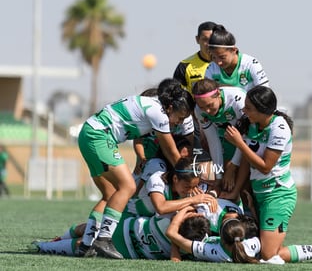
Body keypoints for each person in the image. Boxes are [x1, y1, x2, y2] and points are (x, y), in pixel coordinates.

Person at [222, 85, 312, 265]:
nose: (244, 110)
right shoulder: (252, 124)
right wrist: (236, 192)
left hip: (277, 195)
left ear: (263, 110)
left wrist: (240, 144)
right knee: (258, 253)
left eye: (248, 108)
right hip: (259, 194)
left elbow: (266, 167)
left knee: (269, 256)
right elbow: (246, 163)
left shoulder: (279, 128)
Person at [76, 78, 195, 259]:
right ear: (170, 107)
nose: (179, 123)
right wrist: (187, 175)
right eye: (179, 118)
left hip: (89, 133)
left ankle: (85, 245)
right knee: (128, 186)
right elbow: (171, 151)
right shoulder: (159, 112)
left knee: (110, 195)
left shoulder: (153, 104)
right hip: (99, 136)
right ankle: (103, 240)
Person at [29, 212, 210, 260]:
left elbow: (171, 224)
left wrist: (186, 209)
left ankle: (44, 246)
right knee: (85, 237)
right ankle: (49, 244)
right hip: (129, 250)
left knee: (85, 234)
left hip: (125, 228)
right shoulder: (188, 247)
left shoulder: (167, 222)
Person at [192, 79, 247, 193]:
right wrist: (219, 175)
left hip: (247, 138)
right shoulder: (198, 110)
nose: (207, 110)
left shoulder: (238, 100)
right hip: (227, 138)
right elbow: (213, 141)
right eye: (202, 107)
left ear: (217, 94)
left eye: (210, 105)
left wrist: (233, 166)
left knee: (244, 182)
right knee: (226, 184)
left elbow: (246, 137)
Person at [126, 157, 218, 218]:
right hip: (130, 217)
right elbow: (161, 208)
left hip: (149, 224)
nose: (190, 190)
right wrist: (193, 200)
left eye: (194, 186)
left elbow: (214, 189)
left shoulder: (189, 188)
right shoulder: (156, 179)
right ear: (175, 178)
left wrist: (210, 197)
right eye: (187, 186)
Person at [166, 206, 261, 263]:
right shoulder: (252, 245)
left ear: (221, 237)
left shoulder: (213, 252)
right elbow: (263, 234)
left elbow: (170, 233)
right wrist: (252, 208)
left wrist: (185, 209)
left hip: (192, 245)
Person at [205, 24, 270, 91]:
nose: (218, 62)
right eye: (214, 57)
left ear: (234, 50)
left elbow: (265, 93)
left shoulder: (251, 64)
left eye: (222, 57)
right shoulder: (211, 68)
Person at [173, 21, 217, 95]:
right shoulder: (184, 65)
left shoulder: (225, 63)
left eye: (212, 40)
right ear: (197, 39)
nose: (209, 44)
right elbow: (176, 95)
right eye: (205, 39)